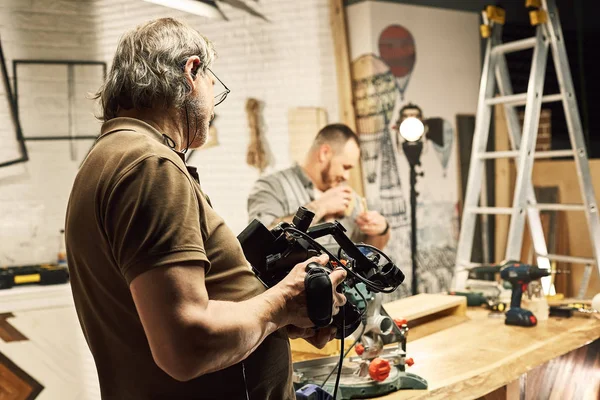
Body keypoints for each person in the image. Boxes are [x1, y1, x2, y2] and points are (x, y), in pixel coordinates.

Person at [65, 18, 346, 400]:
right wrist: (282, 303)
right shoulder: (149, 165)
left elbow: (183, 311)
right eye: (216, 88)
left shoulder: (107, 158)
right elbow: (185, 345)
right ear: (192, 71)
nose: (213, 107)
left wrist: (274, 320)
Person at [248, 124, 391, 252]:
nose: (347, 176)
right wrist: (320, 206)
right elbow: (258, 244)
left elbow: (367, 253)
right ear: (324, 153)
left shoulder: (348, 196)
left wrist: (381, 230)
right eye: (345, 167)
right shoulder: (272, 186)